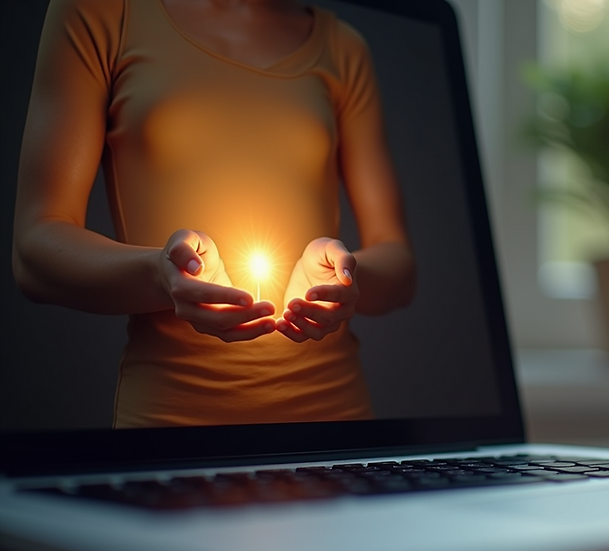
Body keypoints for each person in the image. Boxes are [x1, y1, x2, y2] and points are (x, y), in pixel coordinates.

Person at [12, 0, 416, 427]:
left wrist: (342, 280)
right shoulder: (99, 13)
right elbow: (34, 252)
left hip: (338, 429)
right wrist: (158, 274)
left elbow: (400, 265)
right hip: (173, 431)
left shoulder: (343, 48)